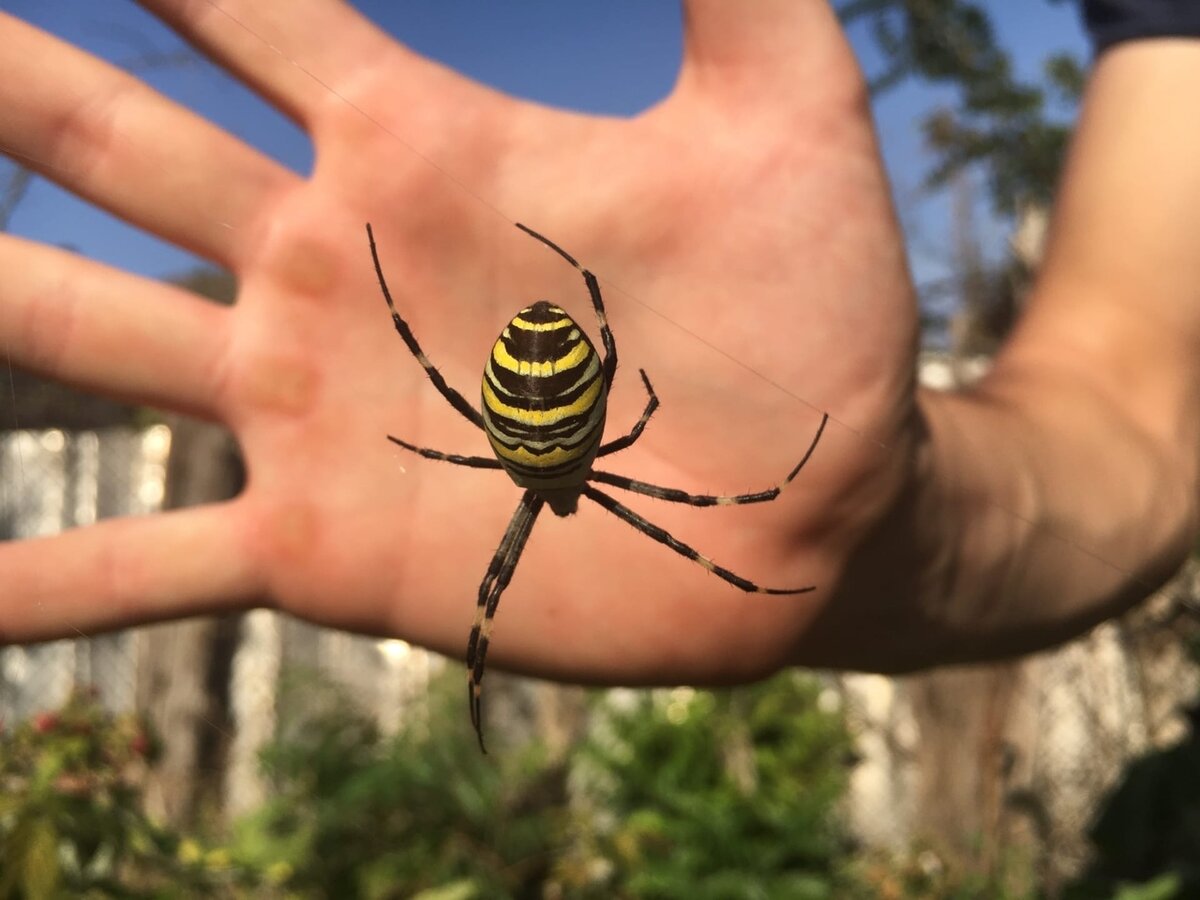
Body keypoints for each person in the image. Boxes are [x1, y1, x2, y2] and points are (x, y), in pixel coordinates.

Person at [0, 1, 1195, 689]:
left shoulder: (517, 466)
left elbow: (465, 395)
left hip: (545, 405)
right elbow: (1138, 404)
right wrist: (883, 522)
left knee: (493, 585)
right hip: (564, 402)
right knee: (605, 553)